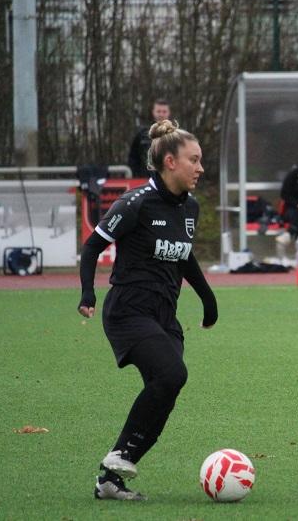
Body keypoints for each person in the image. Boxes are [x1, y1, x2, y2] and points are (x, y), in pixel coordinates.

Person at [79, 119, 218, 500]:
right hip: (128, 312)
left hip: (164, 316)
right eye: (194, 160)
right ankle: (119, 458)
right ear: (170, 162)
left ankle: (110, 479)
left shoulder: (190, 207)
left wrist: (208, 299)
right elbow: (92, 246)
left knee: (167, 387)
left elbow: (184, 257)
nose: (200, 168)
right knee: (172, 373)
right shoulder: (135, 203)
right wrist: (88, 293)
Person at [127, 99, 171, 177]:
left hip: (169, 178)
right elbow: (133, 158)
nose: (161, 114)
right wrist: (136, 176)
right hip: (146, 178)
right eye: (158, 111)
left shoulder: (177, 134)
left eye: (164, 112)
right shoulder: (142, 134)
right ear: (153, 112)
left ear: (169, 113)